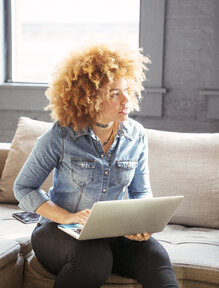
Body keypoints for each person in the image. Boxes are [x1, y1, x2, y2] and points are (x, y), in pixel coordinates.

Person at [13, 38, 179, 288]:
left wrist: (141, 223)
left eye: (126, 90)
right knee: (94, 259)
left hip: (111, 232)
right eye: (114, 93)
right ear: (88, 98)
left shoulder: (136, 135)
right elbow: (23, 188)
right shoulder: (59, 136)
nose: (126, 100)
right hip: (57, 232)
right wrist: (68, 217)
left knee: (156, 257)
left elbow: (140, 191)